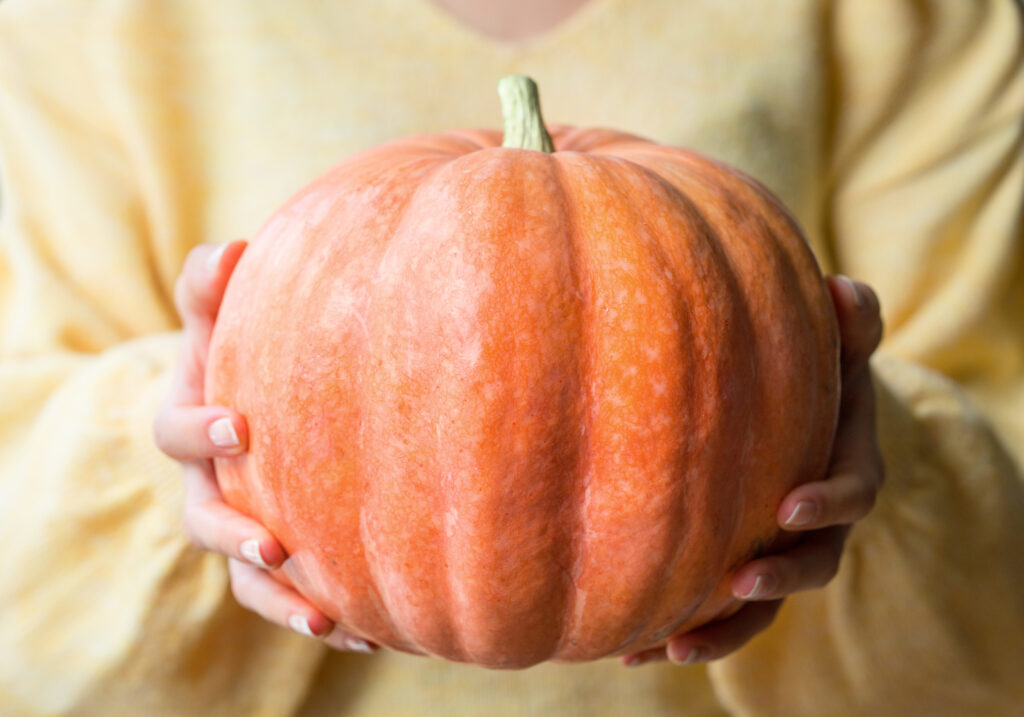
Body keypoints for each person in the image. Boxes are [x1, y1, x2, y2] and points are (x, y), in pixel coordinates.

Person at [0, 0, 1021, 715]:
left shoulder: (907, 19)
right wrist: (174, 451)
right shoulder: (88, 24)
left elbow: (1000, 427)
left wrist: (878, 447)